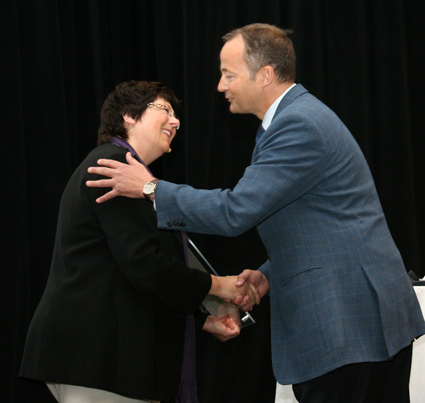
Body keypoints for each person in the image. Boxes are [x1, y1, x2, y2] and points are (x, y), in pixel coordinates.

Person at [86, 24, 425, 403]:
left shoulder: (298, 124)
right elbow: (316, 225)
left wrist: (150, 188)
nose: (219, 85)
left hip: (348, 324)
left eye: (228, 74)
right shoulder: (292, 121)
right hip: (358, 324)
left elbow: (235, 211)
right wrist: (266, 276)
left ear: (265, 74)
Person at [20, 80, 260, 403]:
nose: (176, 122)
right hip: (98, 354)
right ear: (129, 116)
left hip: (104, 357)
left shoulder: (130, 173)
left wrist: (205, 321)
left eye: (177, 115)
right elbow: (144, 264)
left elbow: (127, 271)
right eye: (165, 110)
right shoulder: (114, 166)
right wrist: (221, 286)